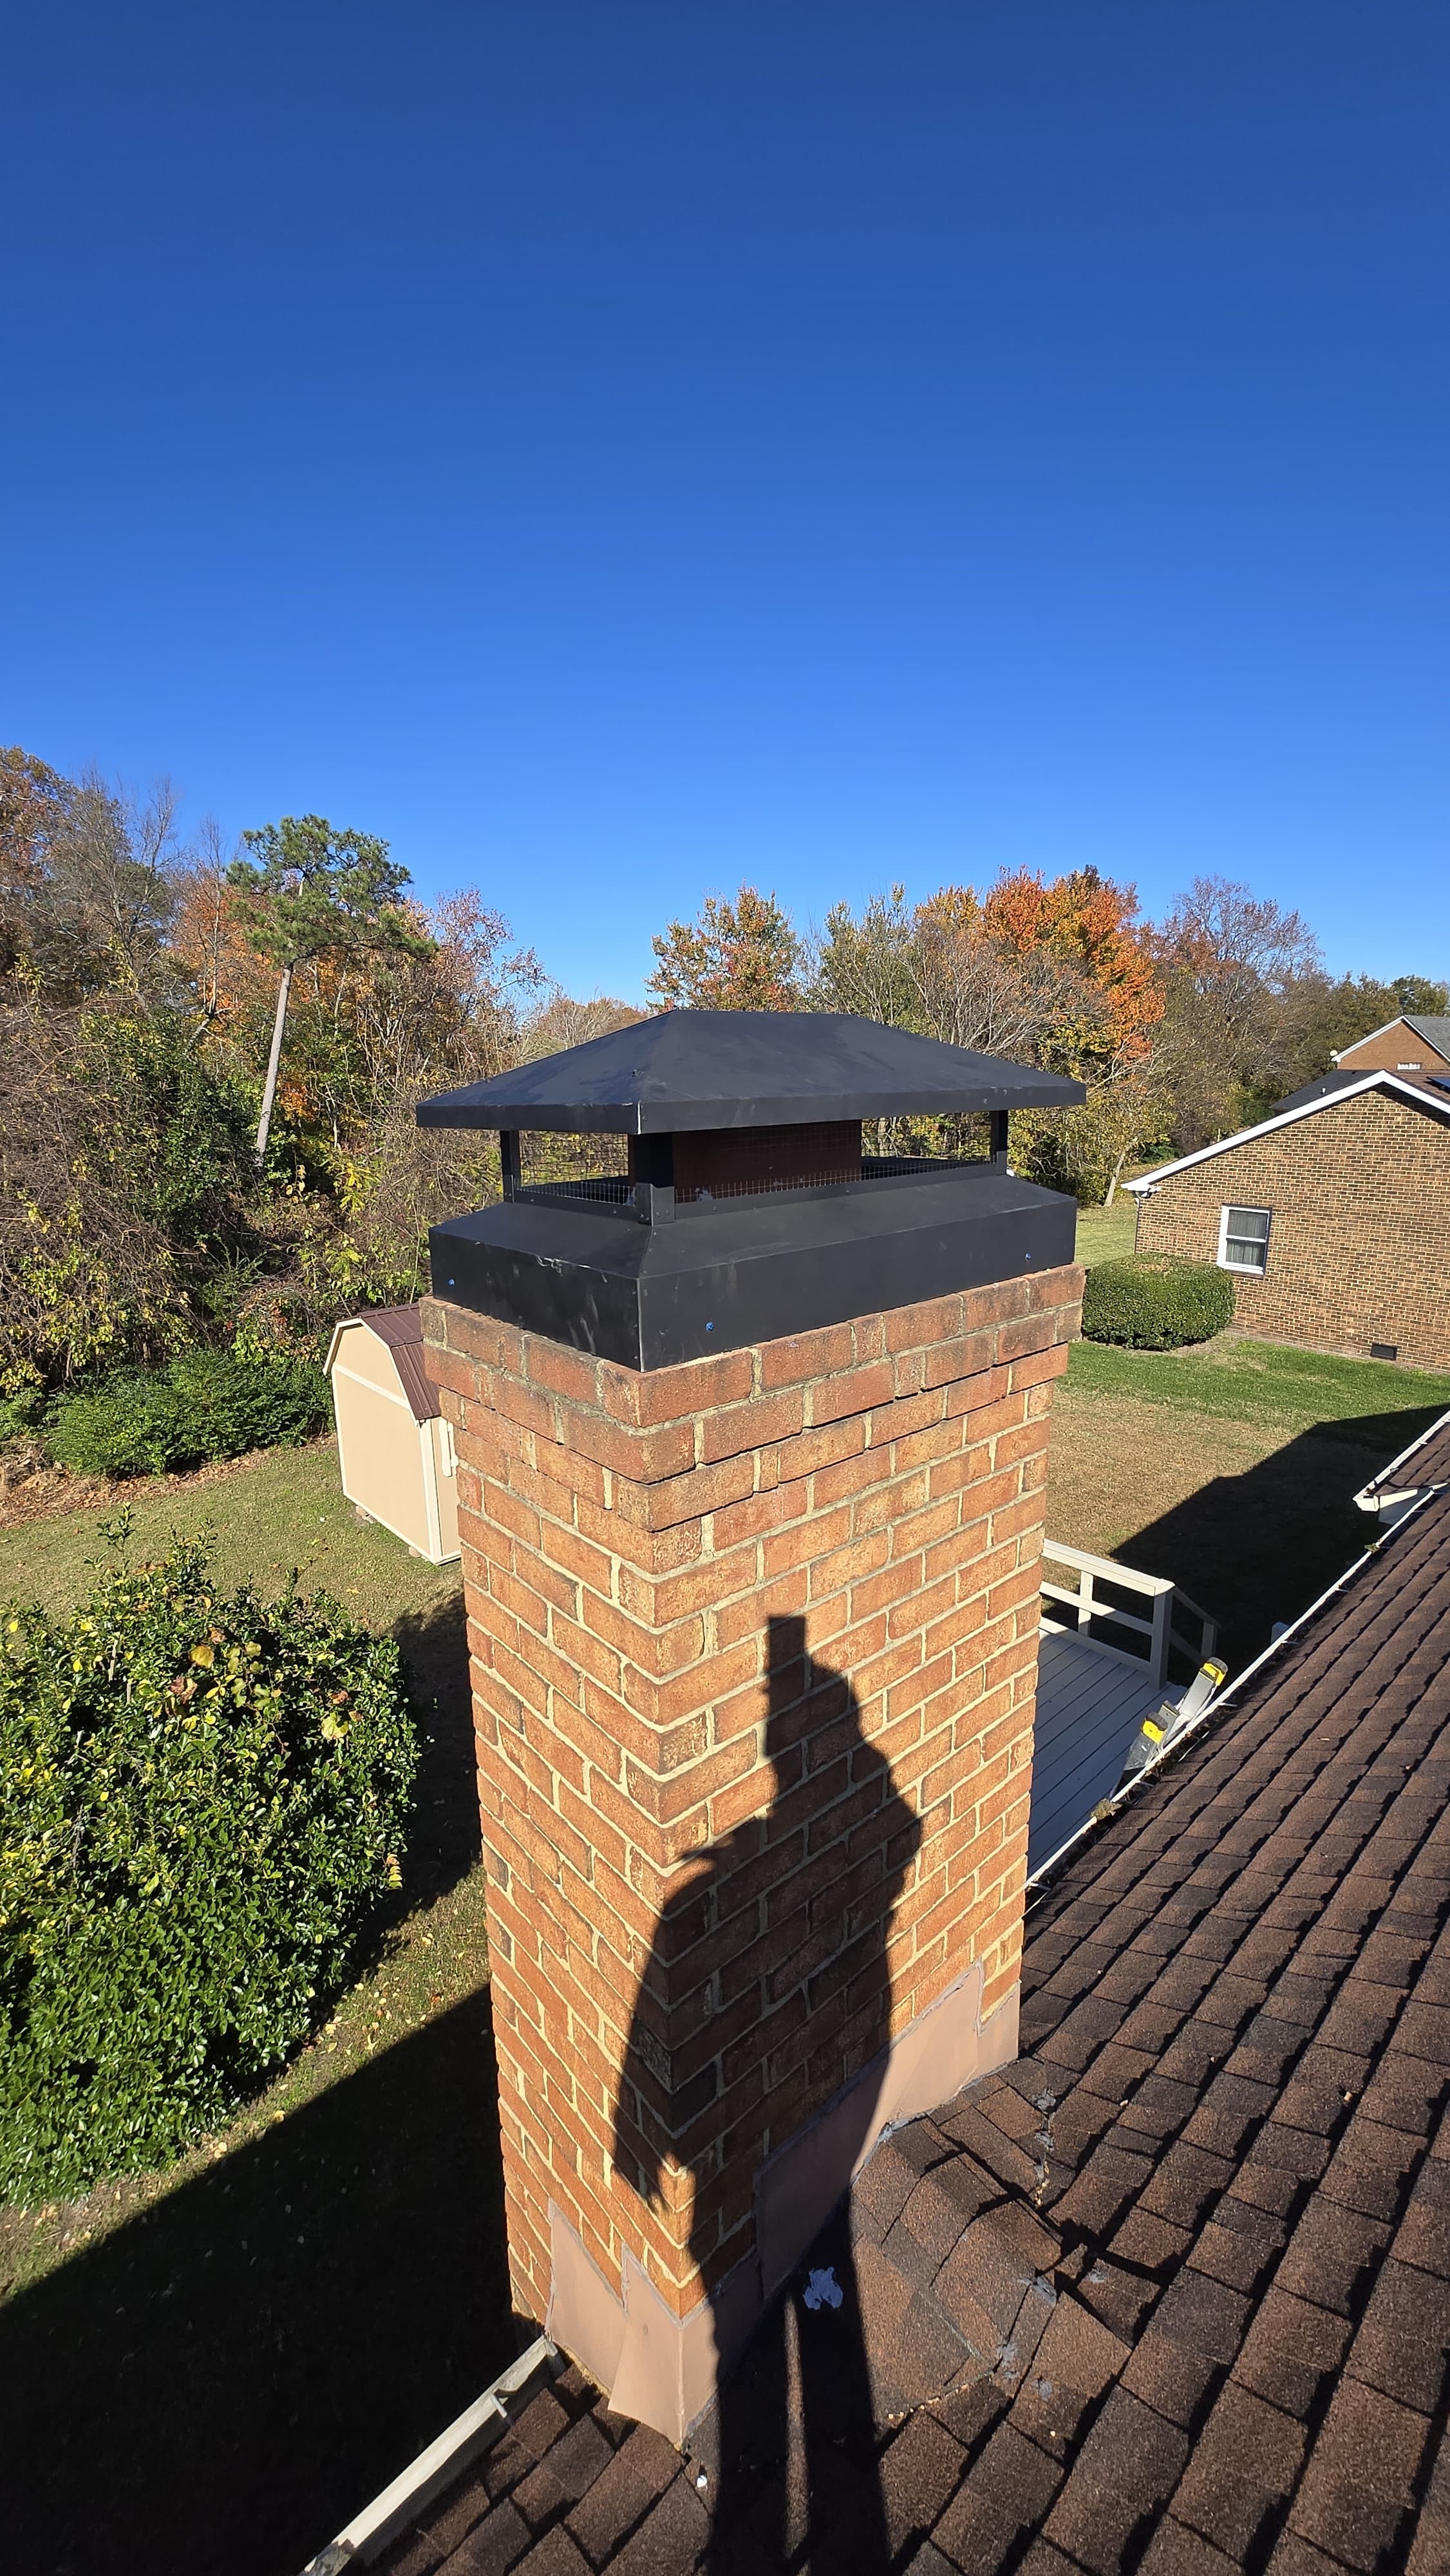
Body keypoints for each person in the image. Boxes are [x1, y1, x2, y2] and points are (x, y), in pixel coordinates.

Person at [614, 1615, 922, 2571]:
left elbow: (885, 1840)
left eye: (779, 1726)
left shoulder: (825, 1819)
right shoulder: (870, 1798)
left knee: (734, 2332)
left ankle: (749, 2518)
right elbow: (896, 1833)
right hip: (851, 2050)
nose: (773, 1745)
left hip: (818, 2071)